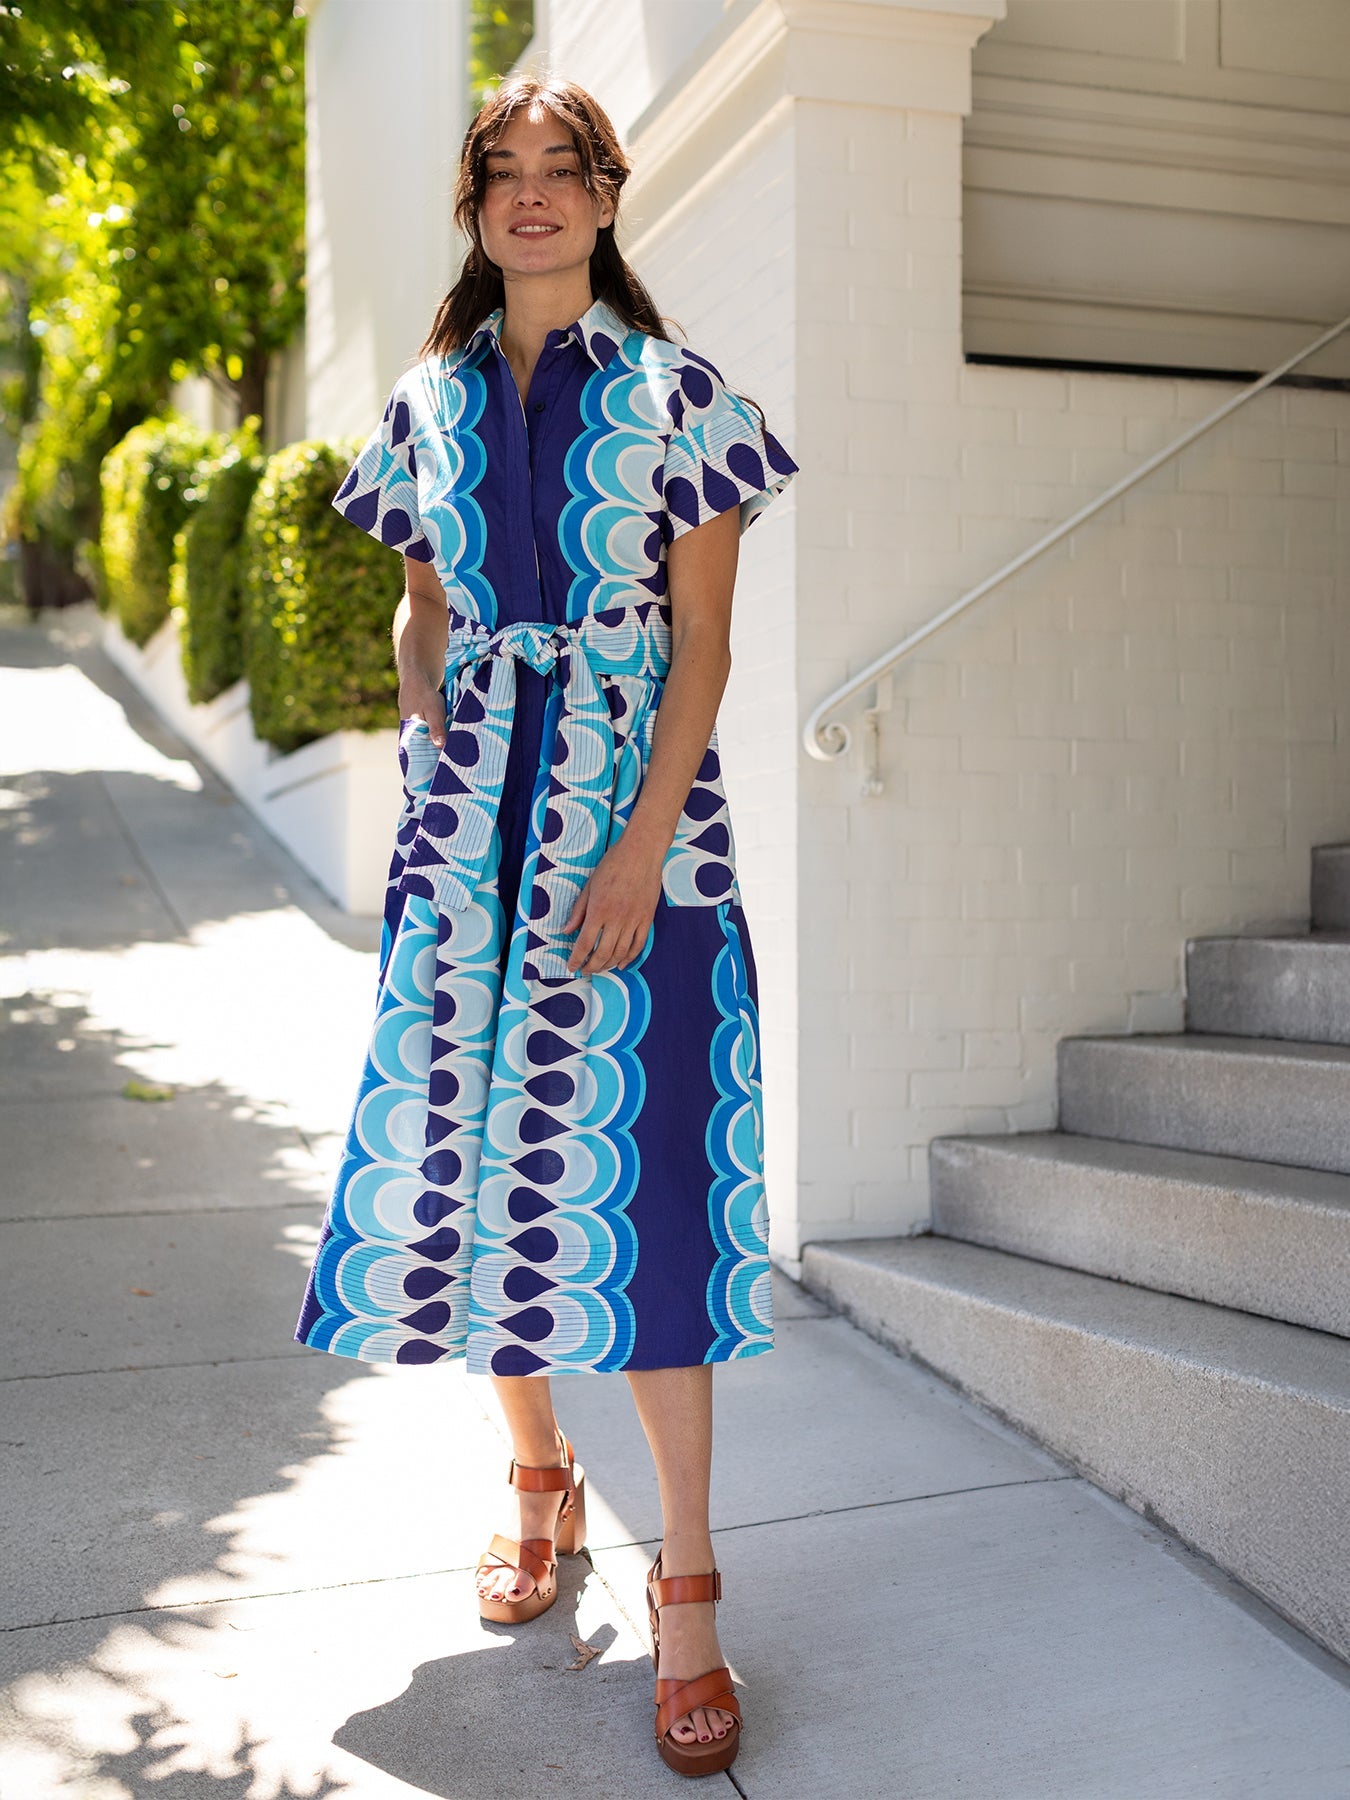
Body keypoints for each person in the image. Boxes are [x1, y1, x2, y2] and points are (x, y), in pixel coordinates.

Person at [294, 71, 796, 1779]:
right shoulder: (424, 401)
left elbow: (705, 648)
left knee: (640, 1206)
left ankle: (694, 1597)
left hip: (634, 847)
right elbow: (416, 602)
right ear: (471, 198)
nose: (530, 196)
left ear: (604, 194)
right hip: (466, 857)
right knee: (481, 1179)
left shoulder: (680, 396)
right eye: (500, 171)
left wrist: (641, 847)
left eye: (560, 171)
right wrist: (434, 706)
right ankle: (534, 1485)